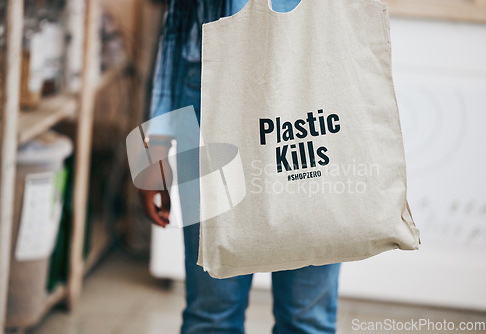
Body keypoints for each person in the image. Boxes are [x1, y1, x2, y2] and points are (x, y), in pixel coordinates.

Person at [140, 0, 341, 333]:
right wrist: (153, 149)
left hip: (314, 103)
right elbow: (178, 22)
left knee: (307, 321)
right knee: (212, 315)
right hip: (209, 99)